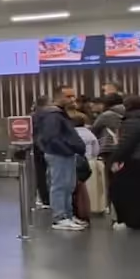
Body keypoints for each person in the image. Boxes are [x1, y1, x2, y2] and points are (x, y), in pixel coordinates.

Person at [33, 90, 87, 231]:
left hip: (65, 153)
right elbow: (50, 137)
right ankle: (60, 217)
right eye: (68, 96)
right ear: (58, 97)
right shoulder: (53, 116)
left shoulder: (58, 114)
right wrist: (67, 148)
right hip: (58, 153)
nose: (72, 99)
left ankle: (67, 215)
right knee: (59, 185)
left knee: (68, 185)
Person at [111, 95, 140, 230]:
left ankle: (130, 220)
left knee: (118, 188)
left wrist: (114, 158)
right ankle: (138, 219)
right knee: (136, 190)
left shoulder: (134, 120)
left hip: (136, 160)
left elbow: (127, 143)